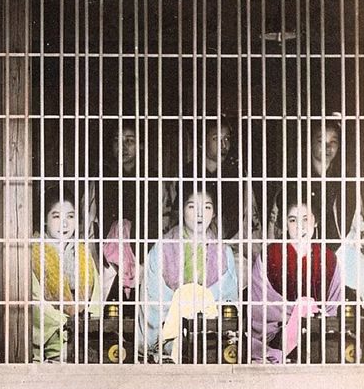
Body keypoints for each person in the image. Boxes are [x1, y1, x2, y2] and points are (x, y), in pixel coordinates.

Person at [140, 182, 239, 362]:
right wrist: (185, 302)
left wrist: (199, 304)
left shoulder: (224, 252)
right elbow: (152, 296)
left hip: (210, 336)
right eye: (192, 206)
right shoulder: (162, 248)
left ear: (214, 212)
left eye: (207, 207)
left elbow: (229, 301)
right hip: (169, 333)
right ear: (181, 209)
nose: (200, 214)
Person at [248, 186, 343, 363]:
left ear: (316, 221)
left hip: (319, 333)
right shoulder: (269, 255)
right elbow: (260, 307)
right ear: (284, 223)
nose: (300, 227)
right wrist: (299, 312)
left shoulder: (329, 258)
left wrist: (314, 317)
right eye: (293, 220)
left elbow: (334, 307)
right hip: (277, 335)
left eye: (306, 219)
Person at [182, 119, 261, 286]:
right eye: (217, 138)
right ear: (201, 142)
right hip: (193, 245)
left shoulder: (237, 175)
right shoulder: (188, 173)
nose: (224, 145)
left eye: (227, 139)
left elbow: (249, 215)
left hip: (231, 247)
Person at [98, 121, 168, 305]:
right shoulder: (102, 177)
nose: (122, 146)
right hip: (109, 256)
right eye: (117, 141)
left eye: (129, 140)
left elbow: (162, 218)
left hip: (145, 251)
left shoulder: (153, 178)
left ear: (141, 145)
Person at [31, 186, 102, 362]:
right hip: (52, 335)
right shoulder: (33, 252)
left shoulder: (83, 251)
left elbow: (96, 298)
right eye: (56, 217)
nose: (64, 224)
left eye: (70, 216)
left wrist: (88, 324)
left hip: (84, 334)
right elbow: (34, 301)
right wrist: (65, 323)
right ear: (44, 219)